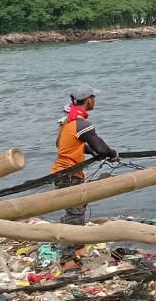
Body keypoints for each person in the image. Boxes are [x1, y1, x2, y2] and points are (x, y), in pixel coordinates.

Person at [51, 85, 119, 226]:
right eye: (94, 98)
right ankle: (69, 246)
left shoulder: (67, 121)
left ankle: (70, 244)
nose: (94, 101)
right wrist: (112, 154)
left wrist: (88, 150)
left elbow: (61, 144)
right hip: (70, 174)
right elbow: (101, 149)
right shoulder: (82, 124)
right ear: (89, 100)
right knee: (75, 213)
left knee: (76, 209)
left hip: (60, 173)